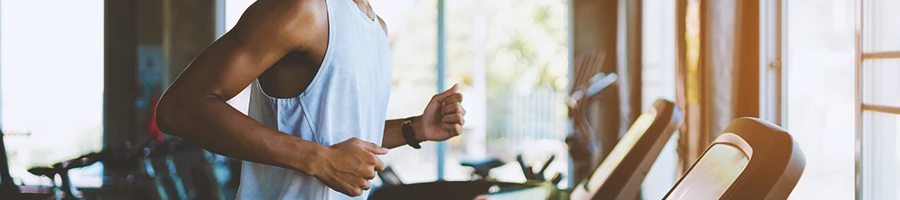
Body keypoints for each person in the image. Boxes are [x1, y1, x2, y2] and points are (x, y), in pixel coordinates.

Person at [155, 0, 466, 199]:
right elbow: (179, 108)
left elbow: (336, 135)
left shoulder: (377, 30)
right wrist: (319, 160)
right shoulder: (301, 9)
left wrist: (415, 129)